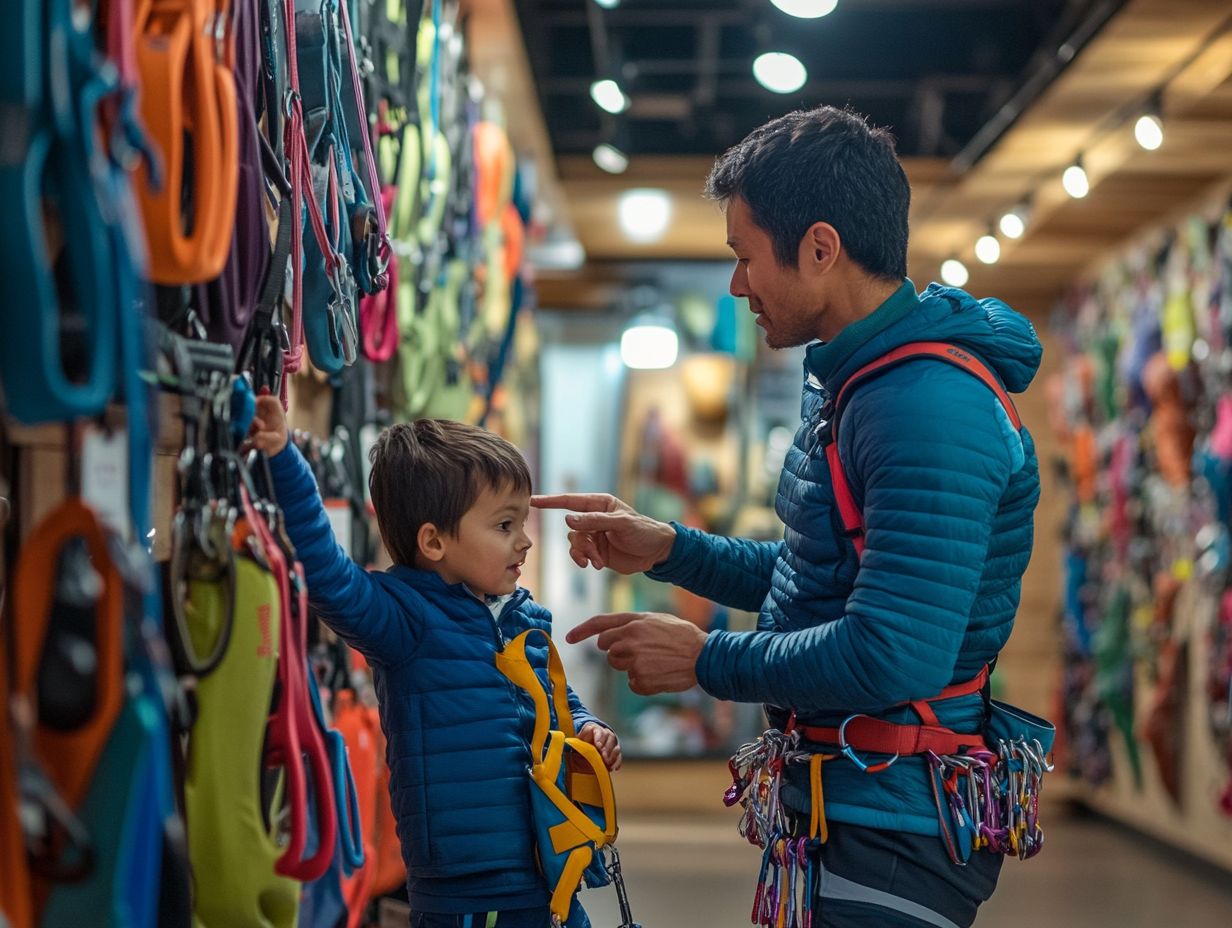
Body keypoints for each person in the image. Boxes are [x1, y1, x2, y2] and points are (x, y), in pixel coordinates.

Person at [535, 105, 1041, 927]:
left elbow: (891, 654)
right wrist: (669, 548)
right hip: (851, 804)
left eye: (744, 258)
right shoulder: (862, 383)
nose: (738, 286)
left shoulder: (924, 407)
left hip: (894, 828)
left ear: (819, 248)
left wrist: (708, 660)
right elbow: (826, 573)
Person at [248, 404, 621, 927]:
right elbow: (328, 574)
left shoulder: (524, 619)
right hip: (464, 893)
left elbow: (555, 708)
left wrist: (588, 727)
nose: (525, 540)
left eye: (523, 522)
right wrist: (285, 461)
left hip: (548, 874)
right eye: (504, 524)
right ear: (433, 541)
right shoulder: (404, 621)